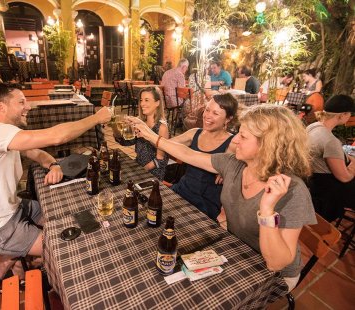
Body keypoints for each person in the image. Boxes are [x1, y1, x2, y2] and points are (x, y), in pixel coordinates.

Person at [129, 104, 316, 292]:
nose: (235, 140)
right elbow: (188, 154)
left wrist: (267, 211)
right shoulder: (235, 164)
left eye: (243, 136)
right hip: (236, 248)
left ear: (267, 145)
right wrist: (148, 134)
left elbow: (276, 263)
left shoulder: (292, 189)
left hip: (272, 275)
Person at [0, 82, 112, 277]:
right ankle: (16, 257)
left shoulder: (3, 134)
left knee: (61, 212)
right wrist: (96, 117)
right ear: (1, 107)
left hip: (12, 208)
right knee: (63, 248)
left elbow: (36, 153)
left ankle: (16, 258)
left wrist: (53, 165)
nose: (28, 107)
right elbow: (57, 136)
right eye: (21, 102)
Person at [170, 94, 237, 220]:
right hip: (181, 191)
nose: (207, 116)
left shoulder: (233, 143)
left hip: (206, 204)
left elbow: (239, 172)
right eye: (207, 110)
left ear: (228, 118)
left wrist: (228, 172)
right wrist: (146, 132)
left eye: (215, 113)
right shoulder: (195, 133)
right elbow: (166, 144)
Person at [306, 94, 355, 222]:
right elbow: (344, 177)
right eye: (349, 113)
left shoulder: (313, 127)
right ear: (342, 115)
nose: (350, 116)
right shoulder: (330, 141)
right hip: (328, 195)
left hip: (313, 187)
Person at [115, 86, 169, 180]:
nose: (142, 104)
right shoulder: (140, 122)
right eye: (141, 100)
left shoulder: (162, 128)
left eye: (146, 100)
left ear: (157, 103)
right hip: (138, 165)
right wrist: (115, 128)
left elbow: (161, 160)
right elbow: (126, 142)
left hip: (153, 173)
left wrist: (141, 170)